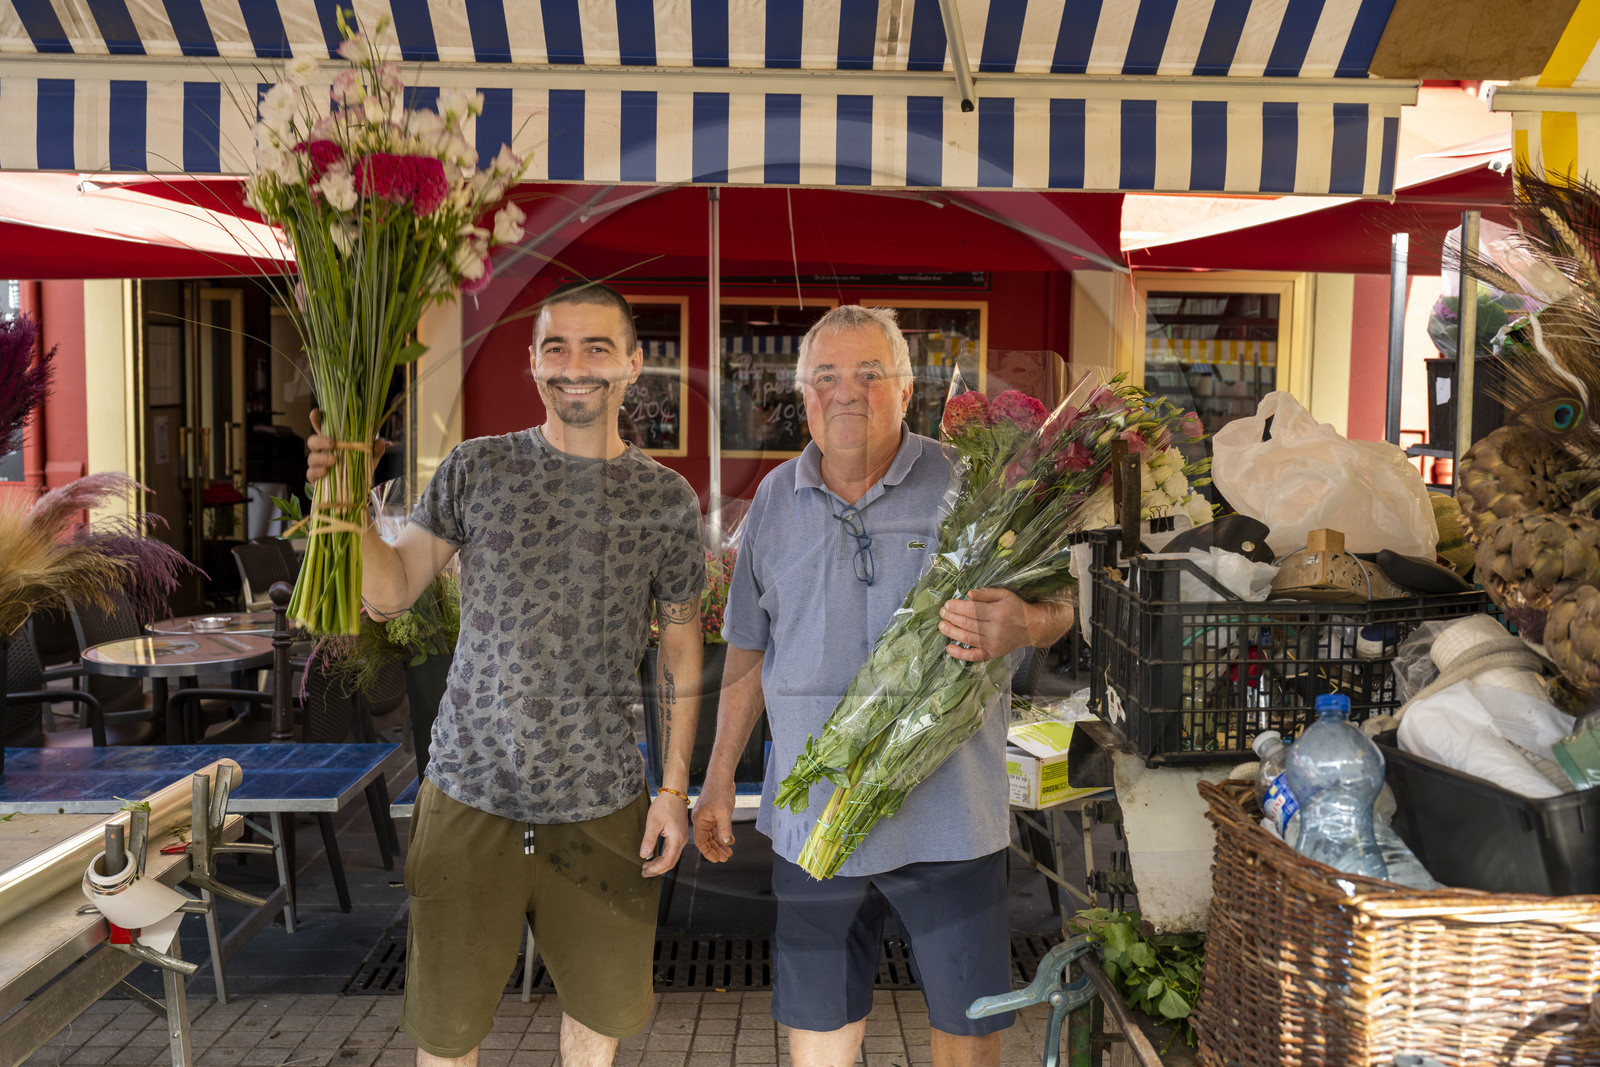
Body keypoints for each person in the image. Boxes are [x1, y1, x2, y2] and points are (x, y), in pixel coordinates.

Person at [306, 281, 706, 1067]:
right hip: (469, 790)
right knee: (449, 1033)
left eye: (597, 347)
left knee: (597, 1023)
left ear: (633, 363)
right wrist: (340, 499)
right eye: (556, 347)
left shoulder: (665, 499)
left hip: (600, 800)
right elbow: (388, 595)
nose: (575, 365)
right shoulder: (476, 468)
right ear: (532, 363)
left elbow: (681, 652)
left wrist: (672, 789)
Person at [692, 305, 1075, 1067]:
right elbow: (746, 655)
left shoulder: (975, 485)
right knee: (821, 1030)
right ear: (803, 398)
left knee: (969, 1030)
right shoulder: (773, 499)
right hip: (816, 825)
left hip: (950, 818)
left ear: (907, 390)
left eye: (871, 374)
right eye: (827, 377)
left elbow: (1065, 604)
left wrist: (1026, 625)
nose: (848, 393)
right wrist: (713, 782)